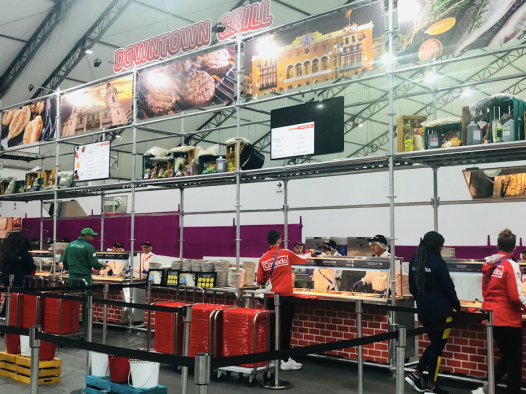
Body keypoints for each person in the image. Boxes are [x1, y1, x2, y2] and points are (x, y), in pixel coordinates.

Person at [472, 229, 526, 394]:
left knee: (508, 356)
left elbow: (485, 292)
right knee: (514, 361)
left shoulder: (490, 264)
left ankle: (488, 388)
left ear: (497, 245)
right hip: (508, 318)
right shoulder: (511, 265)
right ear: (514, 248)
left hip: (491, 316)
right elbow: (516, 295)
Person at [405, 231, 460, 394]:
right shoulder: (438, 262)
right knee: (437, 347)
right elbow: (448, 287)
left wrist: (422, 300)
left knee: (435, 344)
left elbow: (412, 288)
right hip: (441, 311)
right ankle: (431, 386)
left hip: (424, 310)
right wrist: (457, 306)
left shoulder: (415, 260)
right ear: (437, 246)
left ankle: (416, 374)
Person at [257, 230, 313, 371]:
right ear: (279, 240)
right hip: (287, 297)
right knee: (285, 328)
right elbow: (302, 259)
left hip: (271, 297)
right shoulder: (286, 254)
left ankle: (273, 358)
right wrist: (311, 251)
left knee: (272, 327)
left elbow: (259, 280)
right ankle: (285, 359)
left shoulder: (263, 259)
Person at [0, 235, 36, 317]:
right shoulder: (26, 254)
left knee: (9, 295)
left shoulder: (9, 253)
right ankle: (19, 313)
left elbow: (5, 265)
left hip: (9, 276)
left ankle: (6, 312)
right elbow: (31, 266)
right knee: (21, 295)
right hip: (22, 277)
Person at [61, 228, 107, 292]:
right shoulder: (89, 247)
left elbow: (64, 260)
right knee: (86, 297)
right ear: (87, 235)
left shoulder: (69, 245)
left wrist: (67, 269)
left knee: (72, 297)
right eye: (92, 236)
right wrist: (101, 266)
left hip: (72, 276)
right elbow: (94, 263)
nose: (93, 238)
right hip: (85, 276)